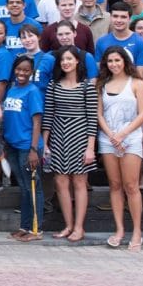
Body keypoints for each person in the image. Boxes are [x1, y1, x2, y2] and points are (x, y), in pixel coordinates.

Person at [42, 46, 98, 243]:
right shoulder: (53, 86)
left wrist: (90, 147)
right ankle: (68, 224)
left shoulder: (87, 87)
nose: (65, 62)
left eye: (69, 59)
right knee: (60, 182)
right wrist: (45, 143)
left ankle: (79, 227)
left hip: (80, 137)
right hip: (58, 136)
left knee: (80, 182)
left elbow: (92, 119)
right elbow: (48, 116)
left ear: (77, 62)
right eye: (62, 59)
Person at [95, 46, 143, 250]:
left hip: (131, 138)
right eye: (110, 61)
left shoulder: (137, 83)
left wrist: (123, 134)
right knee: (115, 185)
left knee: (131, 186)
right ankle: (119, 229)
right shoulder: (102, 84)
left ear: (125, 61)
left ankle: (137, 231)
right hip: (108, 139)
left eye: (117, 60)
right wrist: (111, 134)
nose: (114, 64)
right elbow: (99, 114)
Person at [3, 56, 45, 242]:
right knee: (24, 188)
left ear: (32, 72)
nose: (21, 73)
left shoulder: (32, 91)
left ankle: (36, 229)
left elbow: (37, 123)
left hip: (28, 148)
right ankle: (24, 226)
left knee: (33, 188)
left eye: (26, 70)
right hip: (13, 146)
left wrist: (34, 149)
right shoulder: (12, 89)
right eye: (19, 69)